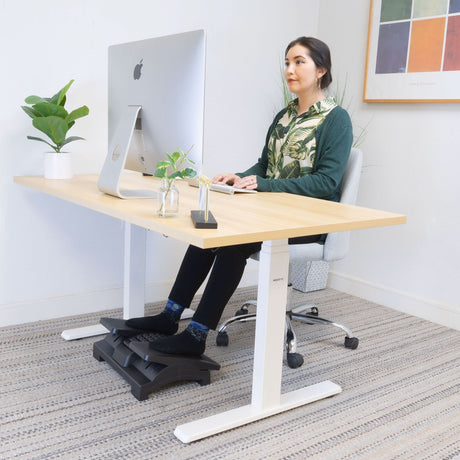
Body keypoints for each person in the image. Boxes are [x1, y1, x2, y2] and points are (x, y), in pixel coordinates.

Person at [126, 36, 353, 356]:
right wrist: (241, 177)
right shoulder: (284, 116)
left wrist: (262, 184)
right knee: (209, 224)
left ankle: (195, 336)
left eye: (299, 62)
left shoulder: (335, 119)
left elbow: (325, 183)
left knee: (234, 240)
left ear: (321, 71)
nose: (290, 69)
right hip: (273, 211)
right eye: (287, 62)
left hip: (309, 219)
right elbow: (265, 164)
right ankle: (170, 315)